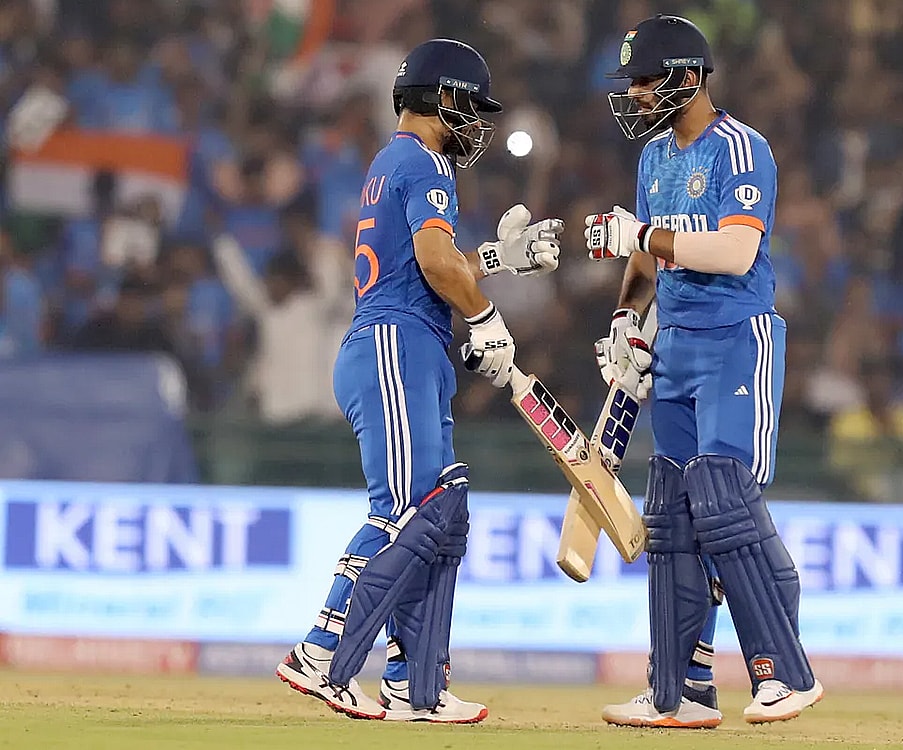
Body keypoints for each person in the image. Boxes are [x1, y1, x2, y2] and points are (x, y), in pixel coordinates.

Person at [274, 38, 564, 722]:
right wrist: (487, 316)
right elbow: (435, 266)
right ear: (441, 97)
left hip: (404, 340)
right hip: (397, 343)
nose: (476, 122)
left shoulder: (394, 161)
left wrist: (496, 257)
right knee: (406, 512)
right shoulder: (426, 160)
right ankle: (319, 653)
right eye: (470, 104)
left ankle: (414, 684)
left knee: (435, 510)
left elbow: (429, 263)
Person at [583, 14, 823, 728]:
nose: (635, 94)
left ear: (688, 78)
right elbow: (642, 260)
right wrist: (628, 321)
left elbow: (735, 253)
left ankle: (785, 672)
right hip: (678, 344)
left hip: (735, 340)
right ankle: (678, 691)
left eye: (646, 80)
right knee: (672, 516)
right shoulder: (655, 157)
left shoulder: (742, 149)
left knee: (722, 498)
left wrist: (646, 235)